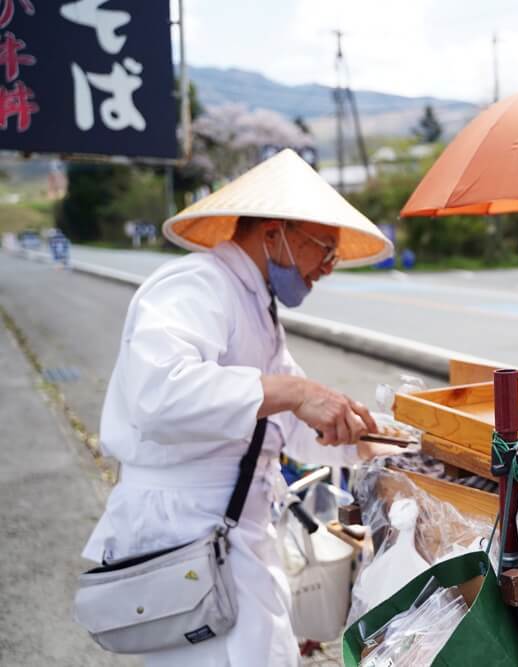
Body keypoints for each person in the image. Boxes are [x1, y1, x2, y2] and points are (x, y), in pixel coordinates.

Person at [81, 149, 397, 665]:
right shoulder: (194, 285)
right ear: (273, 234)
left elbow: (288, 426)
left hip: (234, 532)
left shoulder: (258, 308)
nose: (327, 269)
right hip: (185, 532)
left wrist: (374, 438)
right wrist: (295, 394)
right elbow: (160, 395)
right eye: (324, 250)